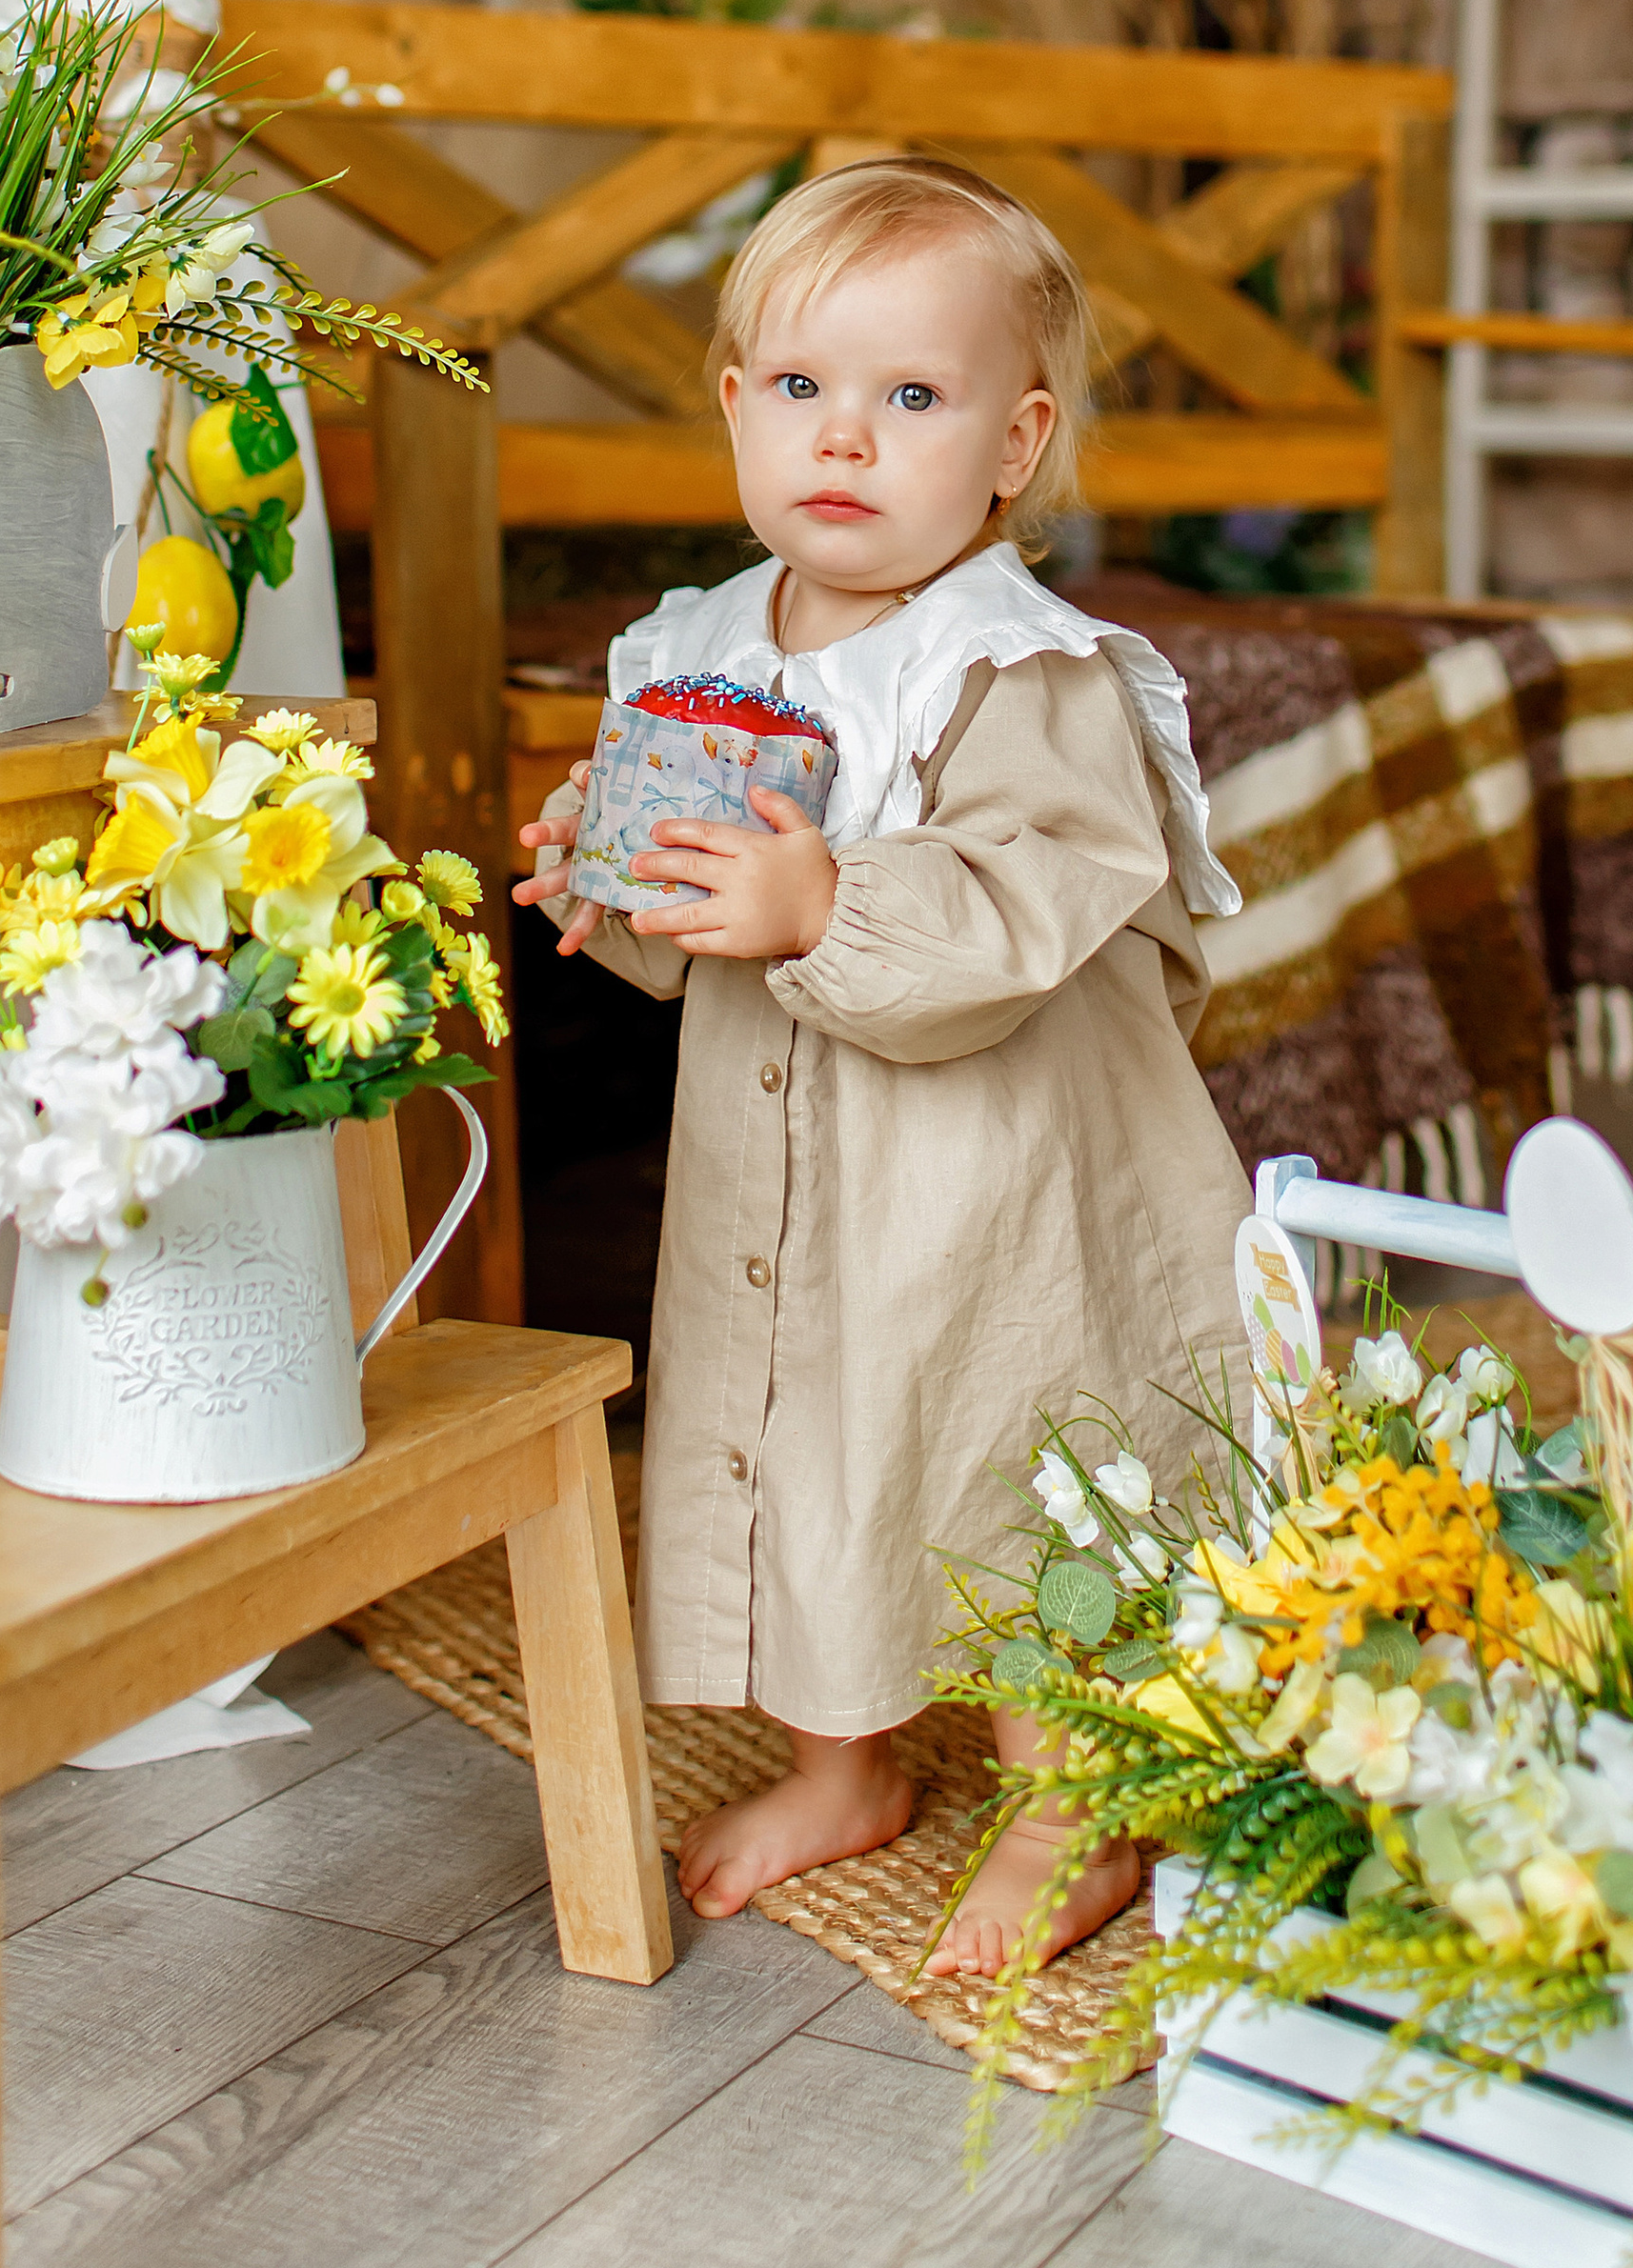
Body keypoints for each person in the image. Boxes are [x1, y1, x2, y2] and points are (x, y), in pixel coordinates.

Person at [513, 154, 1249, 1976]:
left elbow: (1022, 909)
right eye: (799, 388)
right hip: (790, 1172)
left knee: (1012, 1458)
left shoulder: (1020, 665)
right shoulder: (699, 645)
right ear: (735, 404)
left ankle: (1078, 1799)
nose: (845, 438)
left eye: (910, 399)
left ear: (1014, 443)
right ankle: (841, 1761)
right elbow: (700, 909)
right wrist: (616, 877)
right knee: (807, 1439)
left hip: (996, 1184)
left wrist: (817, 897)